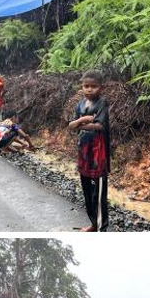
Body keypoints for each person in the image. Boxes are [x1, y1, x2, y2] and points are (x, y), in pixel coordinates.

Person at [67, 70, 112, 232]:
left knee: (99, 195)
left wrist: (78, 124)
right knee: (86, 191)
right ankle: (93, 223)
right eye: (86, 86)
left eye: (94, 86)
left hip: (98, 154)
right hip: (84, 153)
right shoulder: (80, 105)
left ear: (101, 87)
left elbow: (100, 126)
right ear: (82, 86)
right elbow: (71, 125)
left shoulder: (102, 103)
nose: (90, 89)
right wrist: (83, 120)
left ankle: (101, 228)